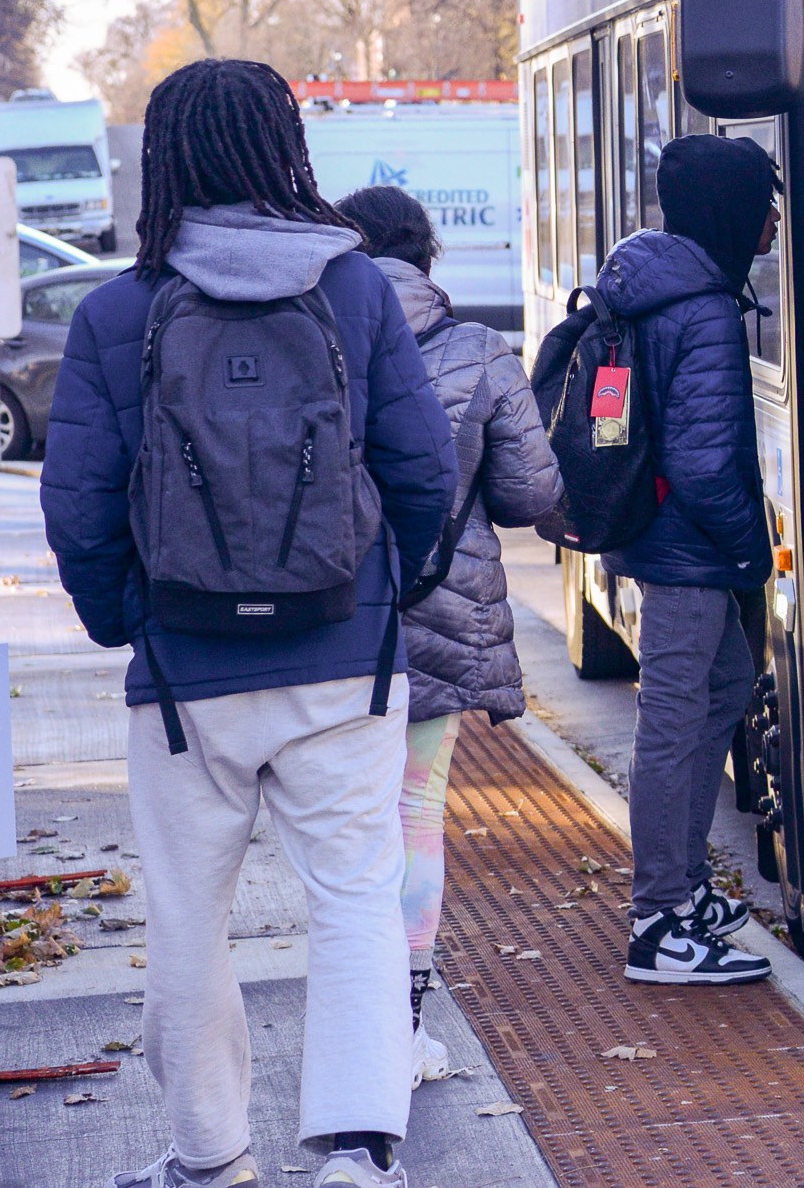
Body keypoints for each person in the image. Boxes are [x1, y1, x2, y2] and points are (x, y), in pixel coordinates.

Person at [42, 61, 456, 1188]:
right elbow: (426, 470)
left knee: (188, 917)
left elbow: (78, 502)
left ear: (162, 157)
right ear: (286, 148)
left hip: (184, 673)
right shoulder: (359, 290)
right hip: (343, 662)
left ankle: (212, 1154)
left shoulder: (118, 308)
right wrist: (389, 594)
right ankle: (360, 1151)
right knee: (358, 899)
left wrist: (127, 620)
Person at [334, 185, 563, 1084]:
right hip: (442, 607)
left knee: (347, 828)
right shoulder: (478, 349)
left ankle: (350, 1022)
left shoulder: (321, 336)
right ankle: (407, 1025)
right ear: (427, 253)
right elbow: (532, 494)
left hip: (335, 618)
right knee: (416, 814)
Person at [597, 134, 780, 985]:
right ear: (728, 210)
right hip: (692, 553)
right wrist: (752, 549)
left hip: (662, 537)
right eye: (760, 203)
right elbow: (706, 465)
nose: (772, 220)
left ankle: (684, 884)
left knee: (723, 686)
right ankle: (659, 918)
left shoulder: (645, 286)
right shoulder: (702, 307)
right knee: (673, 720)